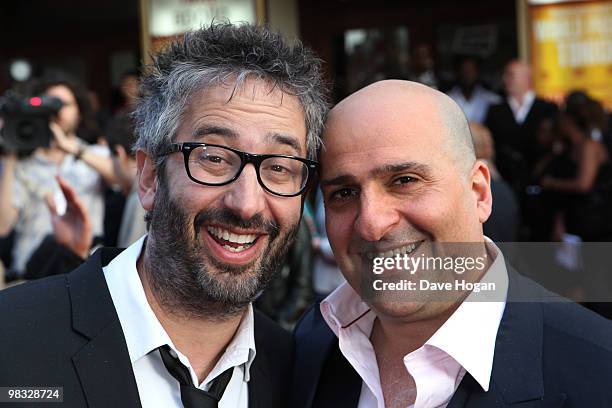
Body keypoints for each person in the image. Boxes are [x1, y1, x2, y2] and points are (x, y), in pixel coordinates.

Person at [0, 22, 328, 408]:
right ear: (150, 176)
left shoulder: (300, 375)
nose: (247, 204)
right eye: (214, 158)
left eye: (279, 167)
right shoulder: (12, 340)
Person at [293, 80, 612, 408]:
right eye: (343, 193)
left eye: (405, 181)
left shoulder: (598, 368)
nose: (372, 224)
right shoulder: (309, 346)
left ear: (479, 193)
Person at [0, 73, 117, 279]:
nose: (57, 110)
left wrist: (72, 149)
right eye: (50, 103)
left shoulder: (95, 155)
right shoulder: (21, 164)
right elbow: (3, 227)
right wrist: (9, 155)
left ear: (79, 112)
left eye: (66, 104)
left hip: (86, 269)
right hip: (31, 274)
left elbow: (123, 180)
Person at [485, 60, 557, 193]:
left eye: (511, 75)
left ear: (526, 78)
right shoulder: (495, 110)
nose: (505, 79)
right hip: (506, 181)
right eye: (505, 75)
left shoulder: (547, 108)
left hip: (541, 184)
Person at [447, 55, 500, 124]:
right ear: (457, 73)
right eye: (464, 70)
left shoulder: (491, 100)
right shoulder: (448, 98)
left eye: (471, 71)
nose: (467, 75)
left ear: (477, 73)